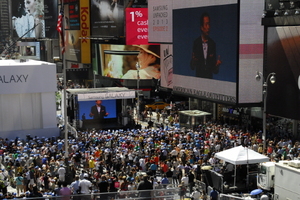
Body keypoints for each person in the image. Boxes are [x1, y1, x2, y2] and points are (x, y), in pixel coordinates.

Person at [190, 12, 222, 79]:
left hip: (209, 81)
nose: (208, 27)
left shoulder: (212, 44)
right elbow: (192, 67)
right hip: (198, 80)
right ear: (201, 27)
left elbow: (214, 71)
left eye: (209, 24)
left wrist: (217, 65)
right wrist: (193, 61)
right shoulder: (196, 43)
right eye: (206, 24)